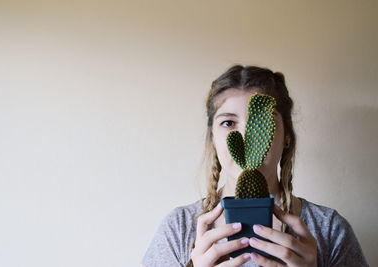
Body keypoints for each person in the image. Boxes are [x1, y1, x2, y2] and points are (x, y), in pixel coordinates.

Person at [141, 65, 369, 267]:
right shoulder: (180, 228)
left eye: (261, 123)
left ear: (286, 134)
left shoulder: (328, 228)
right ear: (212, 138)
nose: (246, 137)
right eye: (228, 123)